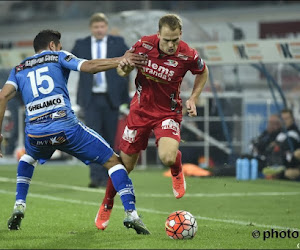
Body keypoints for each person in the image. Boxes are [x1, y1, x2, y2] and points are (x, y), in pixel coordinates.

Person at [0, 30, 150, 234]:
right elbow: (89, 67)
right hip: (65, 127)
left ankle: (19, 204)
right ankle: (131, 213)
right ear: (53, 45)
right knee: (114, 162)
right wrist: (120, 60)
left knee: (27, 158)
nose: (61, 49)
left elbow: (2, 97)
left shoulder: (18, 68)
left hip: (36, 134)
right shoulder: (58, 56)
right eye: (60, 46)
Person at [94, 14, 209, 230]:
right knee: (124, 166)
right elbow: (121, 70)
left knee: (166, 157)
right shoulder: (143, 45)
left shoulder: (188, 54)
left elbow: (203, 72)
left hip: (168, 112)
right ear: (158, 35)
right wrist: (125, 68)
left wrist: (193, 97)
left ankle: (176, 169)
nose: (171, 44)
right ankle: (107, 204)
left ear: (180, 35)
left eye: (175, 39)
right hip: (140, 112)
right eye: (167, 39)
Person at [71, 13, 130, 188]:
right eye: (96, 27)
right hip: (90, 100)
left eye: (102, 27)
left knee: (110, 140)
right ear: (91, 28)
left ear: (106, 27)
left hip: (111, 99)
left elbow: (129, 67)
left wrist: (124, 95)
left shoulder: (118, 43)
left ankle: (110, 177)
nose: (99, 30)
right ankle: (95, 177)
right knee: (92, 140)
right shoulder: (80, 45)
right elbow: (69, 65)